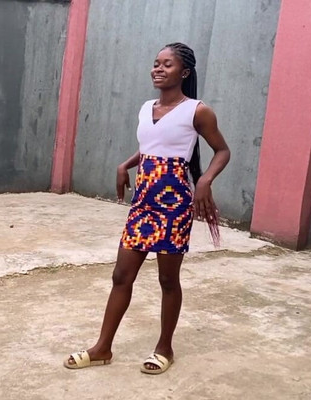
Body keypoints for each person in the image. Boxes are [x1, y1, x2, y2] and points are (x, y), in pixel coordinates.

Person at [64, 42, 230, 375]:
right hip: (143, 203)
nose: (158, 69)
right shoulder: (146, 108)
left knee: (168, 280)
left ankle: (165, 347)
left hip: (174, 205)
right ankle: (102, 348)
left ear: (183, 72)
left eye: (166, 65)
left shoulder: (197, 110)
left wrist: (204, 181)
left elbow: (222, 151)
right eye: (156, 63)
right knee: (121, 275)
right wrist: (125, 163)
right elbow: (152, 147)